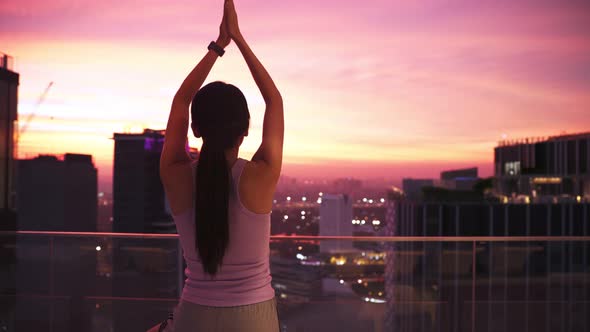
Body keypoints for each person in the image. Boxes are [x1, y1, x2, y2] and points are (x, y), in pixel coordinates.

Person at [149, 0, 283, 330]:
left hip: (193, 317)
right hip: (255, 320)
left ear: (195, 130)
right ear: (246, 131)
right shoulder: (259, 175)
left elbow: (181, 100)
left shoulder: (176, 175)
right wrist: (237, 37)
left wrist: (217, 47)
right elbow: (274, 100)